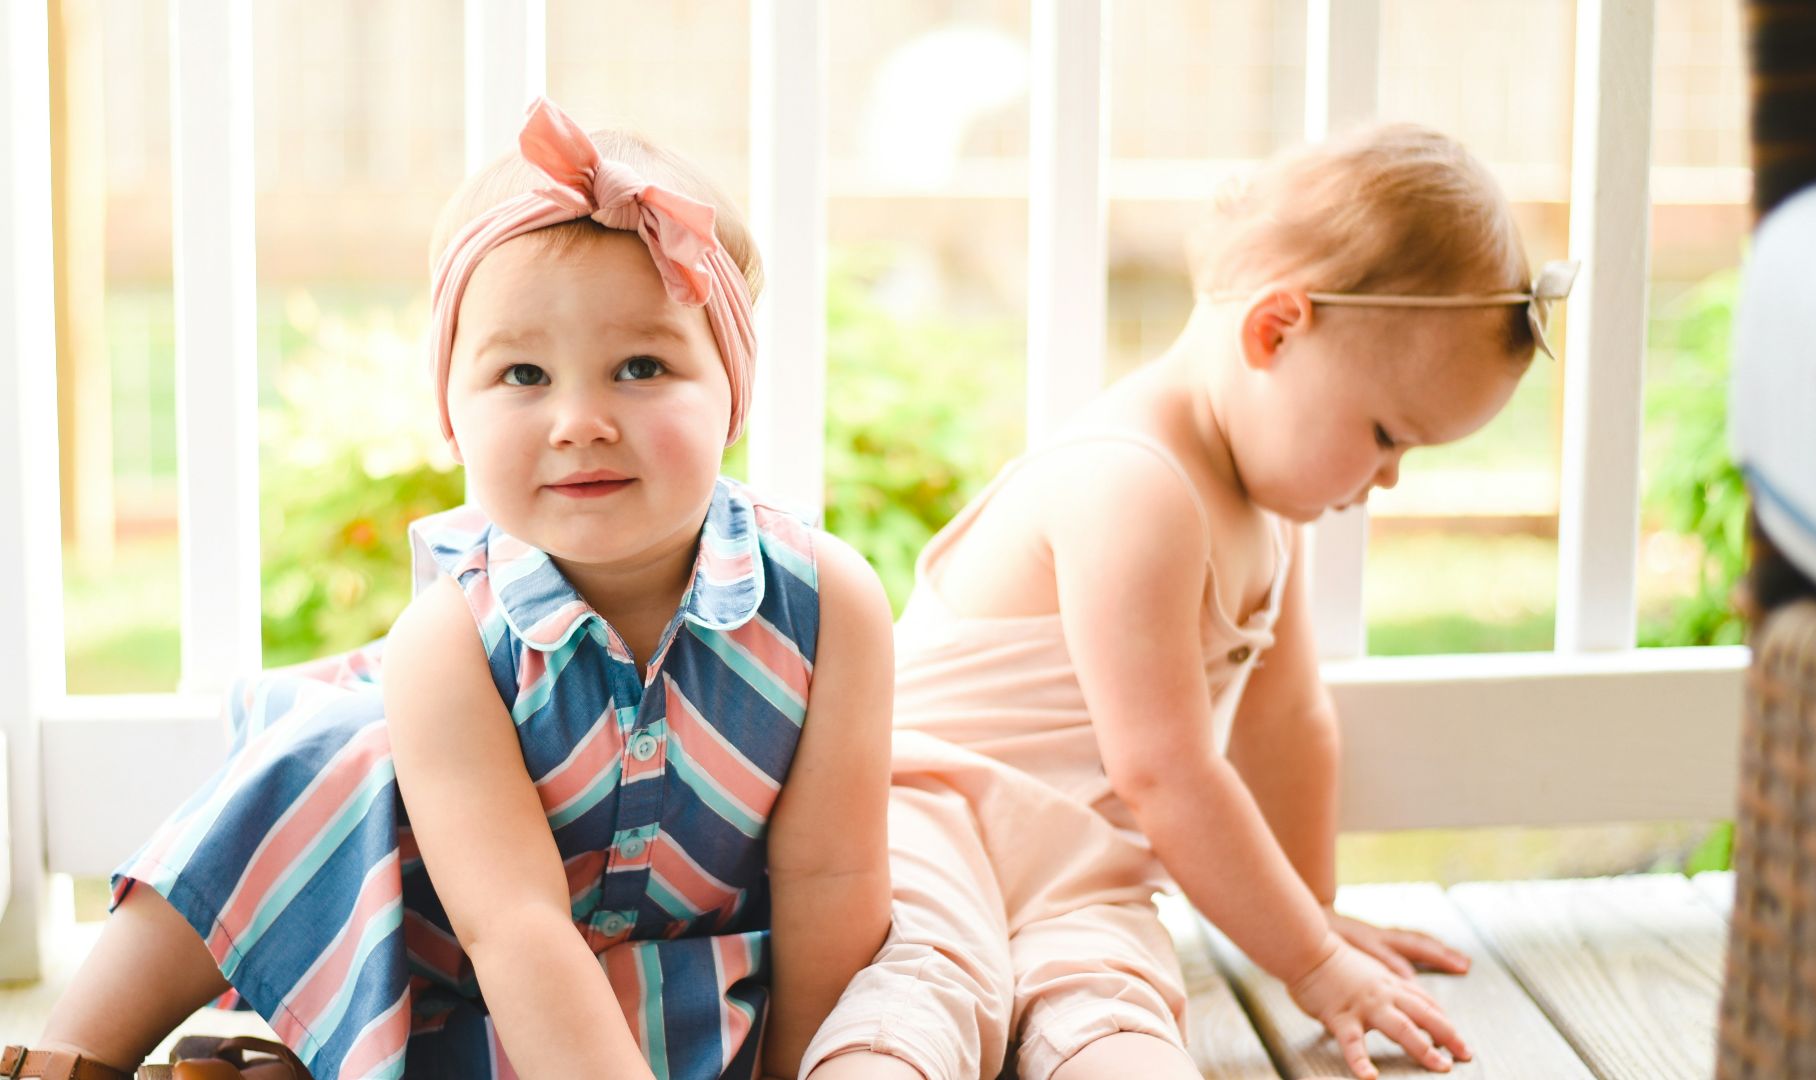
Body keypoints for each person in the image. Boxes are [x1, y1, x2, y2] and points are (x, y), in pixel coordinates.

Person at [5, 98, 896, 1080]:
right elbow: (511, 925)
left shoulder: (823, 607)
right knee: (322, 760)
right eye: (522, 374)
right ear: (452, 414)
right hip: (458, 947)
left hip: (666, 989)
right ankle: (69, 1054)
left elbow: (833, 882)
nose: (579, 420)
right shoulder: (457, 636)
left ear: (734, 388)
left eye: (641, 366)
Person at [802, 123, 1577, 1080]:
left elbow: (1289, 723)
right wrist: (1317, 965)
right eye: (1385, 435)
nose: (1388, 481)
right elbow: (1165, 769)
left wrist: (1312, 910)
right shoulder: (1135, 485)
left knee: (1119, 1011)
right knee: (927, 984)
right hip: (928, 820)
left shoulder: (1268, 513)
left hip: (1084, 867)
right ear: (1275, 329)